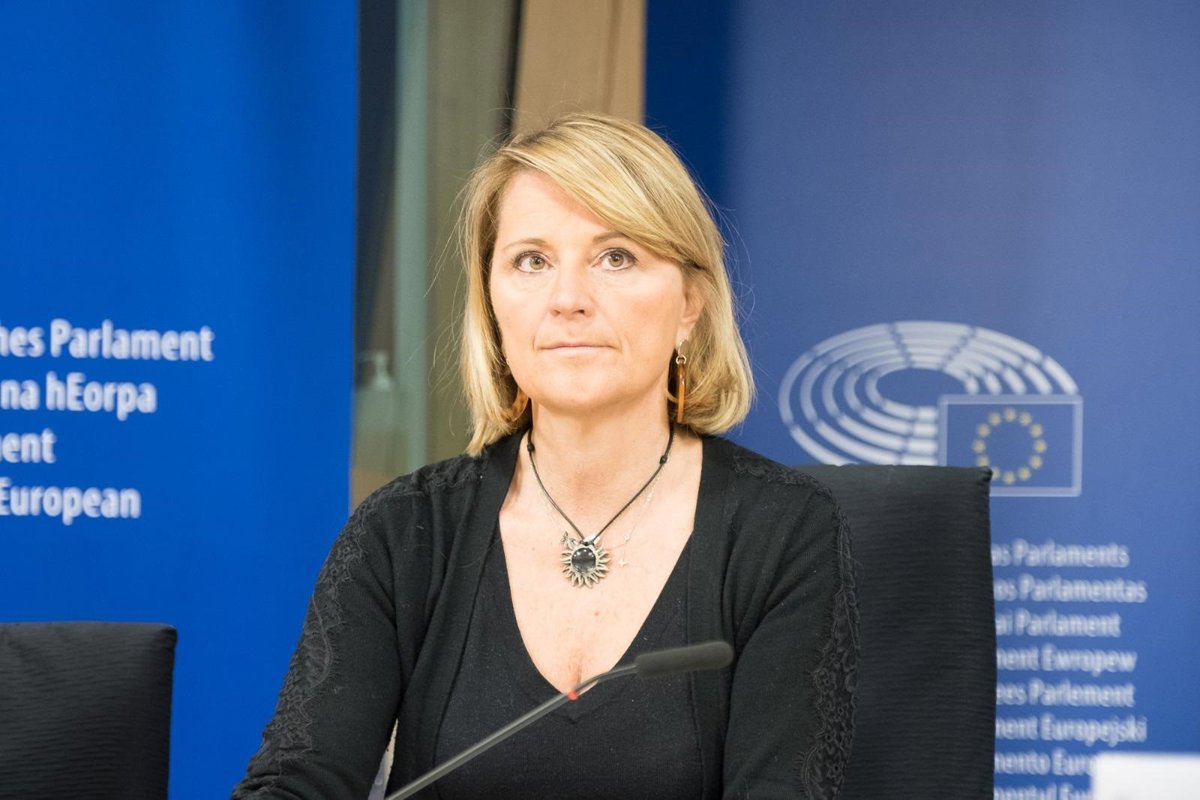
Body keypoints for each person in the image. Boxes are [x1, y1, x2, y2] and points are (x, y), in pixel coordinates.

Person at [233, 113, 858, 799]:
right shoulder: (405, 532)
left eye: (615, 257)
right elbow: (298, 782)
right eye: (532, 261)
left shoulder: (781, 531)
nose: (567, 300)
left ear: (689, 304)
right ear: (492, 304)